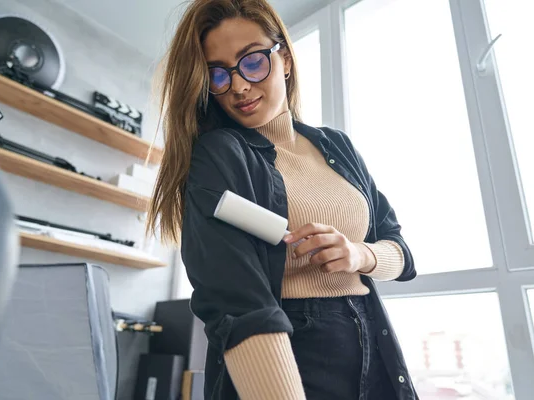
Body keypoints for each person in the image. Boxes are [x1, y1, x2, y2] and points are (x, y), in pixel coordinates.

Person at [146, 0, 417, 399]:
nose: (237, 86)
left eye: (252, 62)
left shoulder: (336, 145)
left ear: (285, 60)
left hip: (375, 346)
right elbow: (240, 306)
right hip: (290, 358)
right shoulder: (219, 154)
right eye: (217, 74)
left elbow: (402, 254)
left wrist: (360, 256)